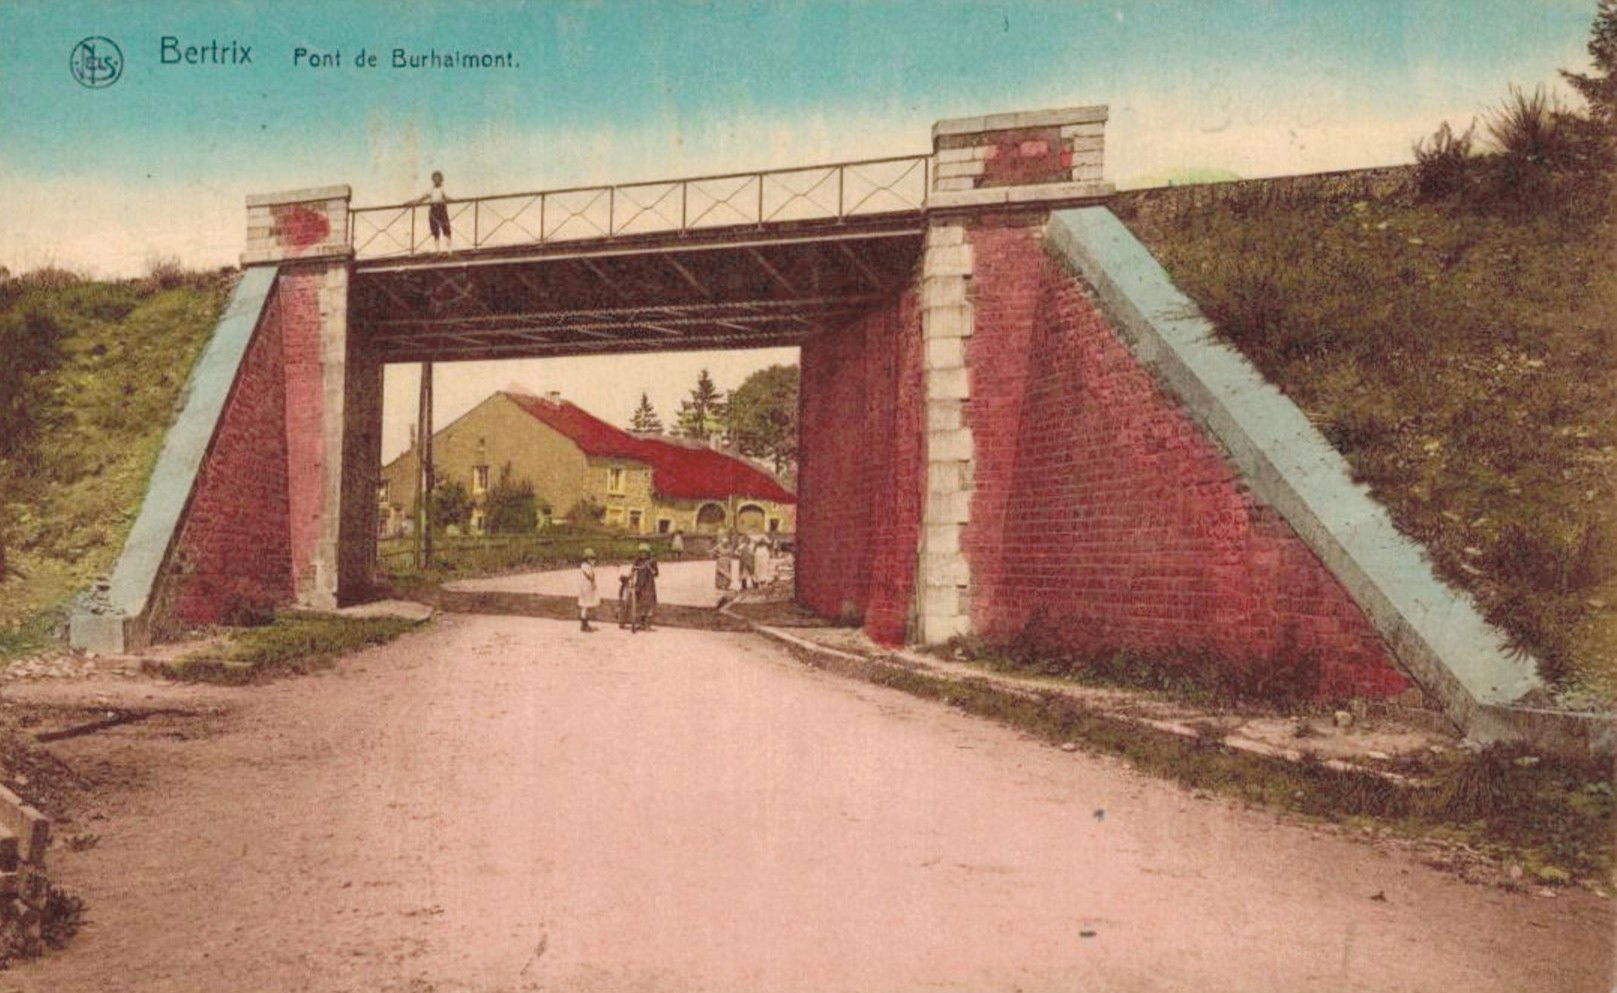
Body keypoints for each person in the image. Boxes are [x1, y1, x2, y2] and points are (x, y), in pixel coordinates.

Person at [413, 171, 452, 252]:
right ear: (433, 180)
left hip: (441, 209)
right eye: (435, 178)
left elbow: (447, 197)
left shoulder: (443, 188)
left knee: (446, 228)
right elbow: (422, 197)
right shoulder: (430, 189)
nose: (436, 180)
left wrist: (451, 200)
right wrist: (414, 202)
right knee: (435, 230)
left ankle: (449, 250)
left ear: (441, 179)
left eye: (438, 178)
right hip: (433, 210)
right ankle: (438, 250)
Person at [627, 542, 659, 631]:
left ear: (648, 553)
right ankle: (641, 623)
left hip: (649, 585)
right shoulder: (638, 561)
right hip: (639, 584)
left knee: (648, 603)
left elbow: (656, 574)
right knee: (640, 603)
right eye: (641, 553)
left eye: (645, 553)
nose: (643, 555)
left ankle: (647, 624)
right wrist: (631, 575)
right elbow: (633, 569)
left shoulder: (652, 561)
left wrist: (650, 568)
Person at [576, 548, 599, 632]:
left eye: (592, 558)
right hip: (585, 588)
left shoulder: (587, 566)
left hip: (586, 587)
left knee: (586, 606)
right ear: (586, 559)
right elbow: (590, 576)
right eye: (590, 558)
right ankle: (584, 624)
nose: (592, 560)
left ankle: (585, 623)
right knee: (585, 606)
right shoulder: (585, 566)